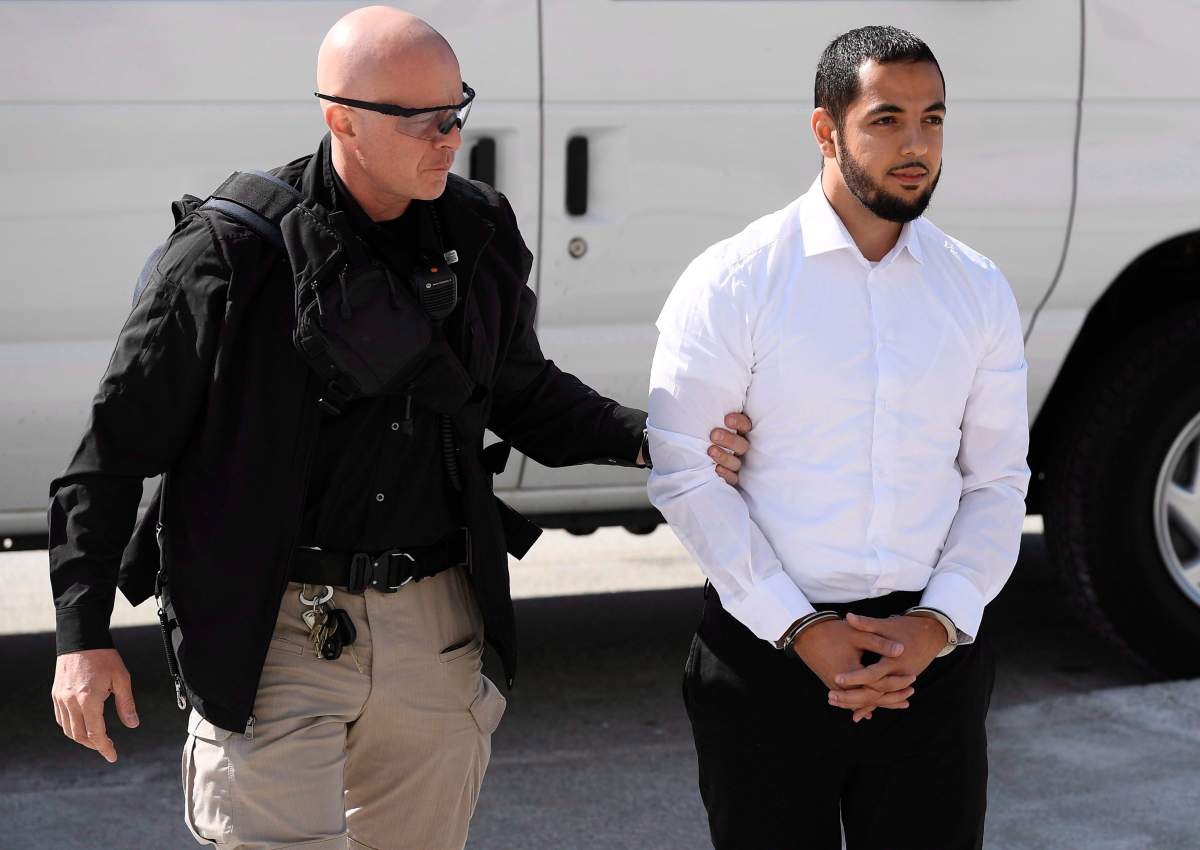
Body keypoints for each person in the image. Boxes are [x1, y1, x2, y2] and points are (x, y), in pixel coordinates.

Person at [48, 8, 752, 850]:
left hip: (435, 627)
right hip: (272, 631)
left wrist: (660, 439)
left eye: (456, 111)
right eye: (419, 119)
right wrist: (81, 638)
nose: (448, 137)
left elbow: (521, 392)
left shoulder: (477, 231)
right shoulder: (228, 253)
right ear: (340, 118)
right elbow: (110, 456)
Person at [647, 25, 1030, 850]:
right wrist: (798, 627)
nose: (916, 146)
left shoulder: (978, 289)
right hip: (766, 662)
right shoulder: (734, 280)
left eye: (932, 119)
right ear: (826, 130)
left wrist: (939, 623)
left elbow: (997, 481)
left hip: (931, 669)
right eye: (887, 120)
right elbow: (686, 475)